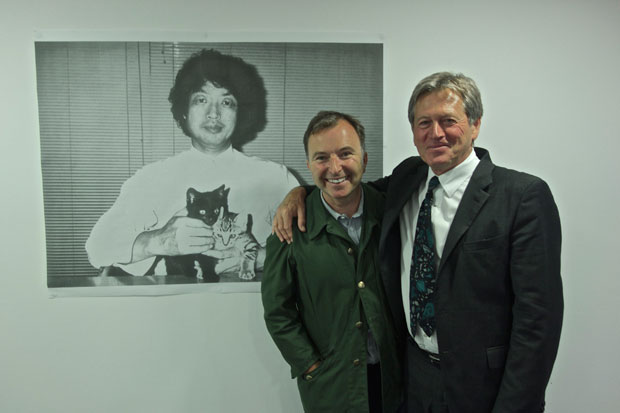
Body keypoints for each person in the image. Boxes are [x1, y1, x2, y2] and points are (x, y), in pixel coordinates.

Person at [271, 73, 563, 412]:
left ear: (475, 124)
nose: (435, 133)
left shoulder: (522, 196)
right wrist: (300, 193)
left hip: (484, 389)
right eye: (424, 122)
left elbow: (538, 322)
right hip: (412, 382)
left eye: (448, 121)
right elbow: (344, 187)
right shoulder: (407, 180)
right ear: (413, 132)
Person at [86, 49, 299, 280]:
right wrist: (158, 241)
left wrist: (257, 258)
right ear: (184, 111)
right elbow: (97, 247)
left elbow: (318, 249)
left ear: (241, 113)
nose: (214, 113)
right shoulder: (151, 177)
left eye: (227, 102)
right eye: (201, 99)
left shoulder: (275, 176)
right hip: (175, 303)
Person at [262, 111, 403, 413]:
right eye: (322, 158)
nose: (335, 168)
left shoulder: (394, 211)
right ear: (309, 166)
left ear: (364, 159)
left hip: (397, 382)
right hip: (332, 386)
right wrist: (310, 364)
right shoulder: (288, 230)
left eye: (345, 154)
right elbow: (278, 312)